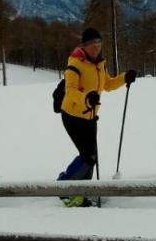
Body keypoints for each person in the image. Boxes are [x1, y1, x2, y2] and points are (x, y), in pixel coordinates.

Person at [57, 27, 136, 207]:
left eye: (98, 44)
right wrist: (86, 98)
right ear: (84, 46)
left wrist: (125, 78)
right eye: (92, 45)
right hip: (72, 116)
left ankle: (83, 192)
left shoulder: (99, 63)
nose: (96, 48)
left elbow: (107, 84)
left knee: (91, 156)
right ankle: (64, 188)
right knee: (87, 156)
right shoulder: (74, 65)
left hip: (91, 116)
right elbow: (70, 92)